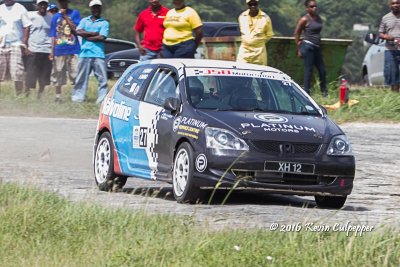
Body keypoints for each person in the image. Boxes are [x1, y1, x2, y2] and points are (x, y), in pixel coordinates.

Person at [71, 0, 109, 103]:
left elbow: (102, 37)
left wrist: (86, 36)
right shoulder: (84, 20)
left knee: (102, 79)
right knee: (81, 78)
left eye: (98, 7)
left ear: (101, 9)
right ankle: (77, 98)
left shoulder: (104, 23)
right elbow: (78, 31)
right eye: (94, 7)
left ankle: (102, 100)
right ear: (91, 9)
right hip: (84, 53)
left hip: (98, 53)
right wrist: (93, 33)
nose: (96, 9)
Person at [49, 0, 81, 102]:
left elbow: (76, 29)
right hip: (59, 49)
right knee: (58, 73)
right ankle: (58, 96)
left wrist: (65, 16)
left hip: (72, 48)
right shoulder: (55, 17)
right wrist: (51, 51)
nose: (63, 3)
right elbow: (53, 35)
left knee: (75, 73)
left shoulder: (74, 13)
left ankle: (76, 96)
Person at [294, 0, 327, 96]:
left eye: (315, 6)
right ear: (307, 8)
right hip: (308, 46)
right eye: (312, 6)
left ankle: (324, 91)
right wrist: (298, 47)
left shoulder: (318, 18)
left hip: (316, 47)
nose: (314, 8)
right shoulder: (304, 19)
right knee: (309, 69)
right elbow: (297, 33)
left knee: (322, 70)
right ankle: (306, 92)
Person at [0, 0, 31, 96]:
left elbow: (27, 26)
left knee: (17, 72)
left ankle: (19, 95)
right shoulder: (1, 8)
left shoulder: (20, 8)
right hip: (1, 43)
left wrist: (24, 44)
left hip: (16, 44)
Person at [25, 0, 53, 99]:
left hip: (46, 50)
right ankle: (26, 94)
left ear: (47, 5)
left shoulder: (51, 18)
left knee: (44, 76)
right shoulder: (30, 15)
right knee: (30, 74)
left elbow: (53, 35)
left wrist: (52, 51)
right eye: (41, 4)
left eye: (44, 4)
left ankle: (39, 95)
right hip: (33, 49)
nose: (43, 6)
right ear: (37, 5)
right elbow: (26, 30)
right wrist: (25, 46)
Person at [236, 0, 274, 66]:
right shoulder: (242, 17)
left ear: (258, 4)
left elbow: (269, 35)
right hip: (244, 50)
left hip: (259, 52)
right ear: (247, 5)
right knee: (240, 70)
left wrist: (257, 42)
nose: (253, 6)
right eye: (250, 4)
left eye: (254, 4)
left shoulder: (265, 18)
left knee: (260, 72)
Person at [379, 0, 400, 93]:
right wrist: (387, 37)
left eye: (397, 3)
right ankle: (395, 98)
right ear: (390, 5)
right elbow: (381, 33)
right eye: (393, 3)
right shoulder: (385, 18)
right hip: (390, 50)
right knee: (392, 74)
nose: (395, 5)